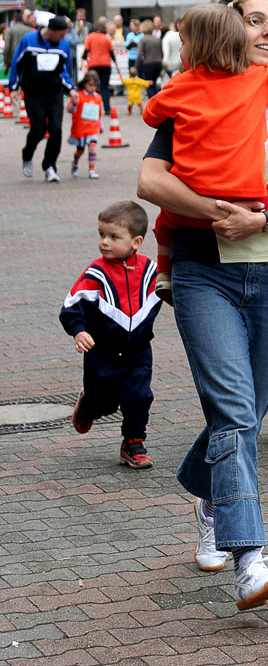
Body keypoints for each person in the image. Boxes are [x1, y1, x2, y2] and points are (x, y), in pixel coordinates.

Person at [137, 0, 268, 611]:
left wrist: (261, 223)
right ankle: (250, 558)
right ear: (226, 30)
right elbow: (150, 179)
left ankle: (207, 488)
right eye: (256, 22)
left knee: (243, 408)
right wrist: (215, 212)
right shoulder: (192, 94)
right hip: (203, 273)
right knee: (237, 410)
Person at [142, 2, 268, 314]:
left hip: (200, 201)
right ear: (235, 35)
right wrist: (250, 216)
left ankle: (163, 272)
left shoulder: (181, 86)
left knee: (165, 217)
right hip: (239, 211)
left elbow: (151, 113)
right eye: (255, 21)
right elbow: (148, 181)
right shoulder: (260, 81)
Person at [59, 200, 162, 467]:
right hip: (102, 353)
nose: (104, 242)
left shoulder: (151, 271)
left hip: (138, 352)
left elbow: (170, 291)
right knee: (102, 400)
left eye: (114, 237)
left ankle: (133, 444)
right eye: (101, 234)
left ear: (136, 242)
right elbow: (72, 305)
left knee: (139, 396)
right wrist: (78, 331)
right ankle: (88, 406)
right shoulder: (96, 273)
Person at [8, 14, 77, 182]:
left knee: (55, 129)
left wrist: (71, 88)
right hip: (33, 92)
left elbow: (65, 70)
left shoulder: (63, 45)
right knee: (38, 130)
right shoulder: (29, 40)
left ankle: (50, 166)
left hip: (54, 93)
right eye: (61, 34)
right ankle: (27, 154)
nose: (63, 38)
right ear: (51, 31)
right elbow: (17, 63)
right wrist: (13, 87)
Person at [67, 69, 103, 179]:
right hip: (80, 128)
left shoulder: (98, 97)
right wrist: (74, 104)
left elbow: (99, 113)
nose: (92, 88)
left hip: (92, 128)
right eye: (90, 85)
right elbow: (69, 110)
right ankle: (75, 163)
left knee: (92, 148)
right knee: (80, 151)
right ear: (84, 84)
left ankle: (91, 170)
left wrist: (101, 126)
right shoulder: (79, 96)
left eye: (95, 85)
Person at [83, 17, 120, 115]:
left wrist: (81, 64)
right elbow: (112, 54)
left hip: (94, 65)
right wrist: (117, 66)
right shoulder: (106, 38)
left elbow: (85, 52)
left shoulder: (90, 37)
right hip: (105, 65)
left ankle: (92, 108)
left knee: (92, 86)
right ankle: (107, 109)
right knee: (104, 88)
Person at [136, 19, 163, 98]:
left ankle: (152, 103)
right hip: (158, 63)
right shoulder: (157, 39)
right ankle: (156, 101)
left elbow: (139, 54)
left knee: (149, 85)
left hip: (149, 63)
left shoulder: (143, 39)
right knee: (154, 84)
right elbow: (161, 52)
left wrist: (136, 65)